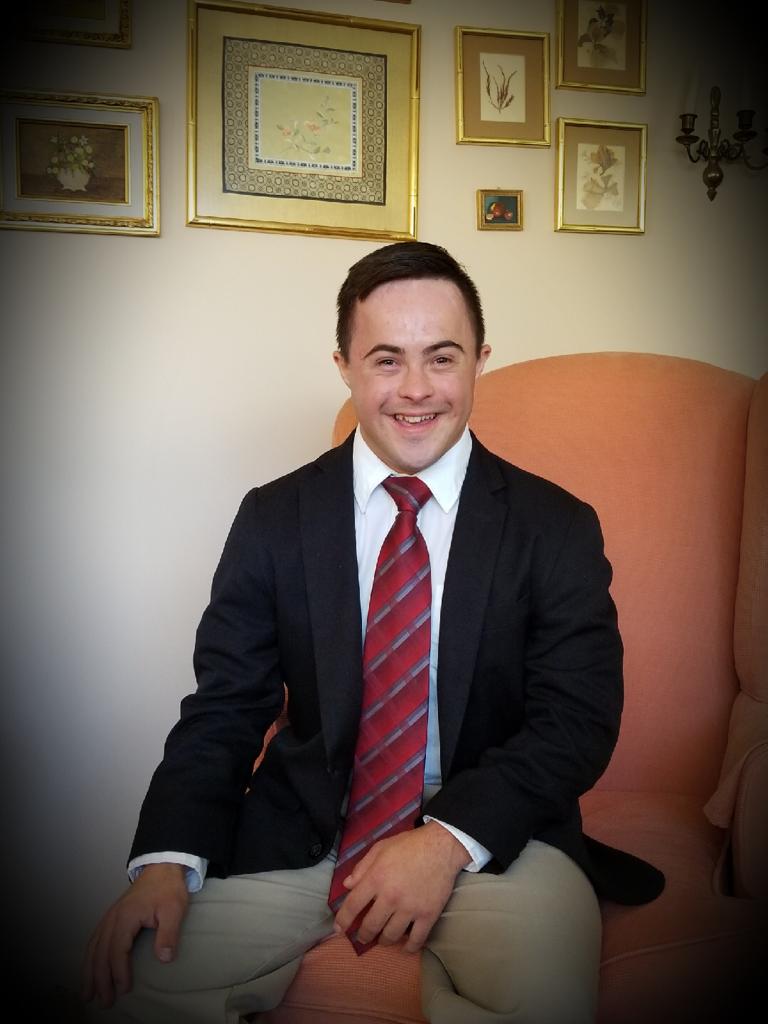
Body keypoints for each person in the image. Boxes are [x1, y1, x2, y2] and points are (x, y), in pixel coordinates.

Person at [83, 242, 663, 1024]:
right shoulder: (274, 518)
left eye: (442, 357)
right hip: (307, 831)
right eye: (387, 360)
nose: (416, 389)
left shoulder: (555, 527)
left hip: (495, 836)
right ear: (345, 367)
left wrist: (446, 840)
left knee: (542, 1003)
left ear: (480, 362)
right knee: (132, 982)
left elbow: (576, 720)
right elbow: (224, 707)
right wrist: (166, 860)